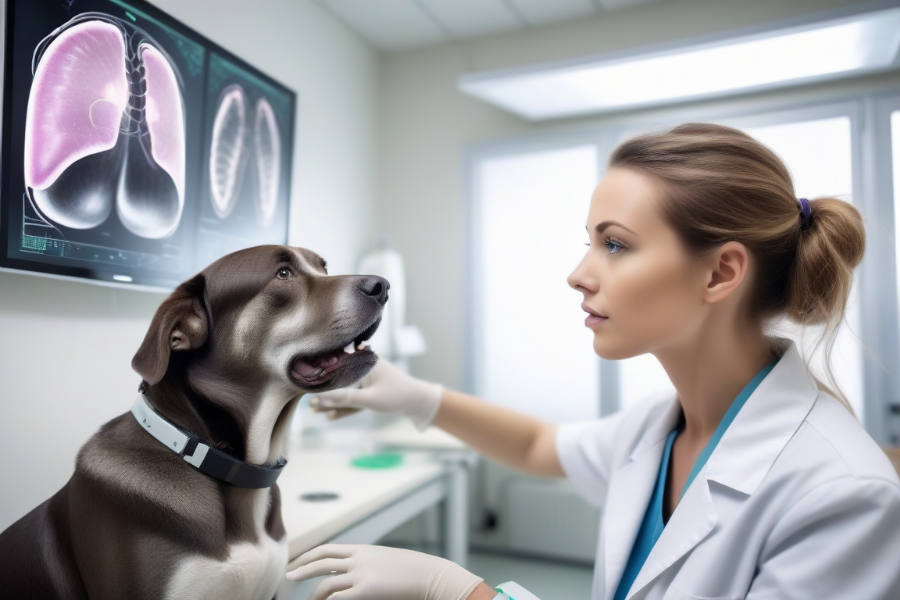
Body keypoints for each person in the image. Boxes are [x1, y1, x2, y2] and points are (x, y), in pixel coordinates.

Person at [285, 123, 900, 600]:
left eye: (615, 244)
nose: (579, 275)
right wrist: (420, 398)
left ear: (720, 272)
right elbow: (538, 446)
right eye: (591, 242)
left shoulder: (842, 495)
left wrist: (463, 591)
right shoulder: (660, 427)